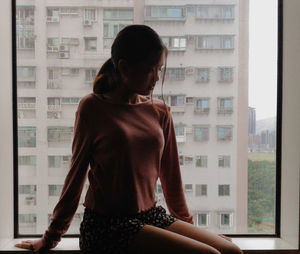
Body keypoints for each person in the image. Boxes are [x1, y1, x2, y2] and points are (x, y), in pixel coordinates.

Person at [15, 25, 243, 254]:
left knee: (231, 251)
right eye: (150, 70)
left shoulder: (161, 111)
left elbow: (171, 177)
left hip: (151, 216)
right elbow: (76, 175)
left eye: (159, 70)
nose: (156, 78)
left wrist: (187, 230)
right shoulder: (93, 107)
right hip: (108, 225)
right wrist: (51, 236)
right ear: (124, 67)